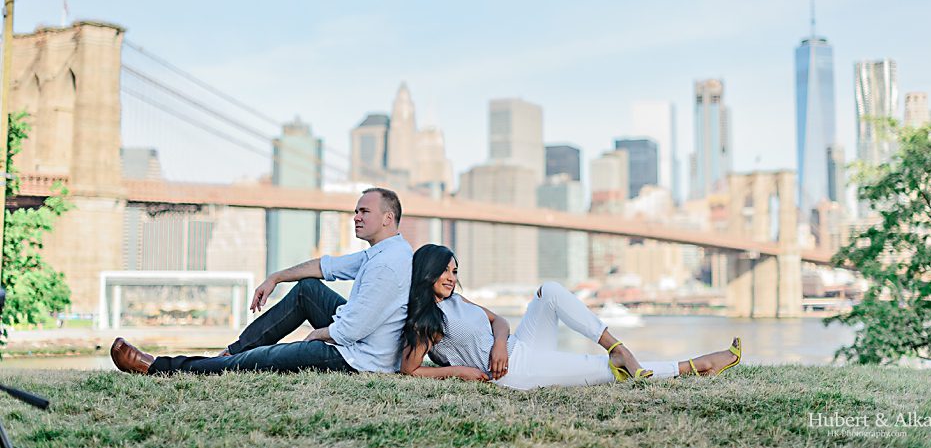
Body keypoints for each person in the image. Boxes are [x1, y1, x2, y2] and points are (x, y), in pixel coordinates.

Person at [111, 187, 413, 376]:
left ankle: (157, 367)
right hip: (359, 342)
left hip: (358, 359)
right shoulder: (384, 251)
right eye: (355, 211)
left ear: (388, 218)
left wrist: (316, 335)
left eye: (364, 211)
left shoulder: (387, 264)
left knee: (263, 359)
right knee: (307, 289)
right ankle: (233, 352)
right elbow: (325, 266)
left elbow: (351, 331)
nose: (356, 217)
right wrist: (276, 277)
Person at [400, 245, 741, 390]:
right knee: (607, 372)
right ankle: (694, 366)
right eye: (444, 270)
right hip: (512, 373)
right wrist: (461, 371)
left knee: (548, 290)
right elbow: (410, 370)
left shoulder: (458, 299)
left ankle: (614, 344)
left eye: (454, 270)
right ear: (426, 271)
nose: (450, 276)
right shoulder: (426, 322)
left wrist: (500, 344)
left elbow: (499, 321)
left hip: (516, 348)